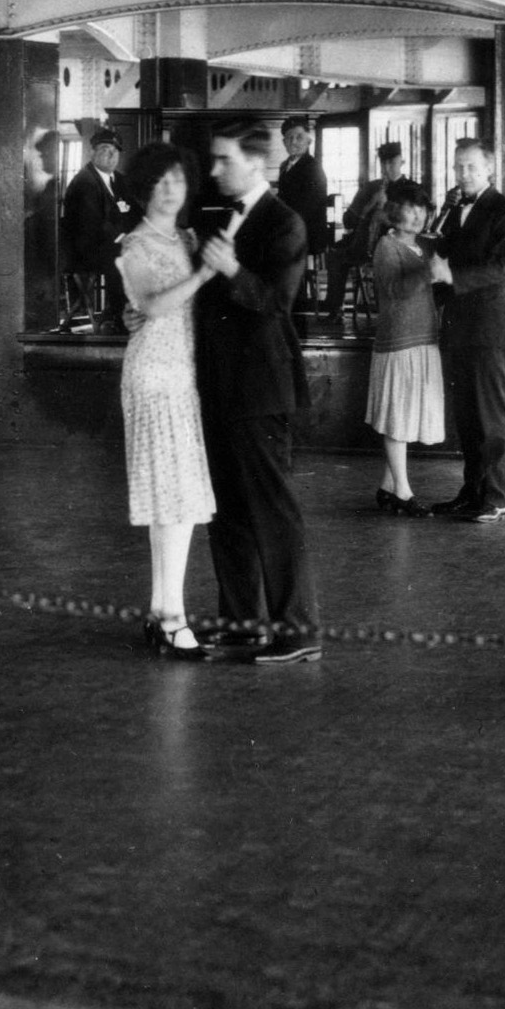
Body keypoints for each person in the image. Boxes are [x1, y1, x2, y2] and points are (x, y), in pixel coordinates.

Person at [190, 122, 320, 664]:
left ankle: (298, 628)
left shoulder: (284, 222)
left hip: (262, 388)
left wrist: (230, 268)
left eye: (224, 161)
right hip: (222, 385)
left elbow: (276, 302)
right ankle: (242, 622)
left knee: (272, 509)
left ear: (254, 162)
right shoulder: (226, 219)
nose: (215, 170)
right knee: (228, 510)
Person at [113, 141, 218, 661]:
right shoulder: (134, 244)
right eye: (161, 181)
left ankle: (163, 610)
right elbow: (151, 304)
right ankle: (172, 617)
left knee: (177, 500)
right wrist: (202, 274)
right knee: (174, 499)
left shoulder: (187, 236)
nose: (172, 189)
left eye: (179, 179)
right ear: (144, 189)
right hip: (155, 375)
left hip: (182, 374)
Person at [424, 137, 505, 522]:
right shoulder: (454, 207)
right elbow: (440, 245)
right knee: (467, 417)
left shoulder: (504, 210)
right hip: (460, 326)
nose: (462, 174)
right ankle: (472, 491)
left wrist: (451, 274)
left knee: (491, 417)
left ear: (489, 169)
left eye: (471, 167)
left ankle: (495, 497)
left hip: (491, 329)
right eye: (458, 166)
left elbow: (500, 268)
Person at [363, 181, 444, 514]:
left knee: (406, 418)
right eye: (410, 208)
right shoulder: (387, 245)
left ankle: (388, 485)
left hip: (423, 339)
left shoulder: (422, 247)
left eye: (423, 209)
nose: (418, 216)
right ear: (395, 211)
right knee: (399, 418)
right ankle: (403, 494)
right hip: (398, 344)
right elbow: (394, 290)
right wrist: (429, 272)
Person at [58, 125, 129, 331]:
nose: (111, 154)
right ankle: (119, 317)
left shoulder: (118, 180)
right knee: (126, 257)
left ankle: (120, 312)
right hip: (85, 251)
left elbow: (133, 211)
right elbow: (93, 224)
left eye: (115, 151)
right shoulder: (84, 183)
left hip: (106, 245)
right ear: (92, 152)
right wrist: (124, 238)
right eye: (105, 148)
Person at [332, 138, 409, 319]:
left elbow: (411, 224)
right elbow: (348, 220)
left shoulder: (410, 189)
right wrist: (370, 204)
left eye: (392, 163)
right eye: (383, 164)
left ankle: (387, 316)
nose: (387, 168)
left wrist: (387, 212)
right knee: (336, 256)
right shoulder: (371, 187)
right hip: (362, 245)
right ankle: (336, 309)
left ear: (402, 163)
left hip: (393, 248)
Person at [273, 116, 331, 316]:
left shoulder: (312, 168)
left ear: (309, 140)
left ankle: (292, 306)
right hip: (294, 226)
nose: (293, 142)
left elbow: (306, 207)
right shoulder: (285, 166)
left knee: (276, 248)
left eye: (299, 137)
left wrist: (282, 222)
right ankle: (280, 302)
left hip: (309, 231)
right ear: (283, 143)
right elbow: (282, 200)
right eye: (289, 138)